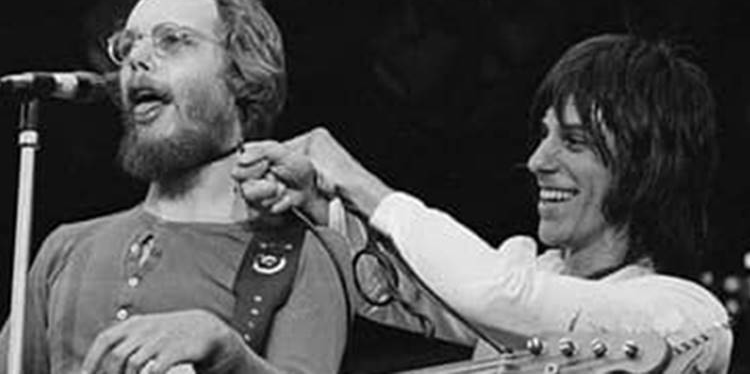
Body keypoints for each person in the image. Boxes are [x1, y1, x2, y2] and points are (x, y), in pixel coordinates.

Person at [236, 34, 734, 372]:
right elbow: (401, 293)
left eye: (574, 142)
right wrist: (319, 202)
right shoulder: (528, 272)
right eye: (545, 136)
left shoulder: (688, 316)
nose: (538, 161)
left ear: (645, 168)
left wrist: (359, 183)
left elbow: (497, 296)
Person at [0, 0, 349, 374]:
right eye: (127, 45)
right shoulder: (65, 248)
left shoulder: (303, 253)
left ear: (241, 76)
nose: (137, 58)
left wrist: (228, 352)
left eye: (172, 40)